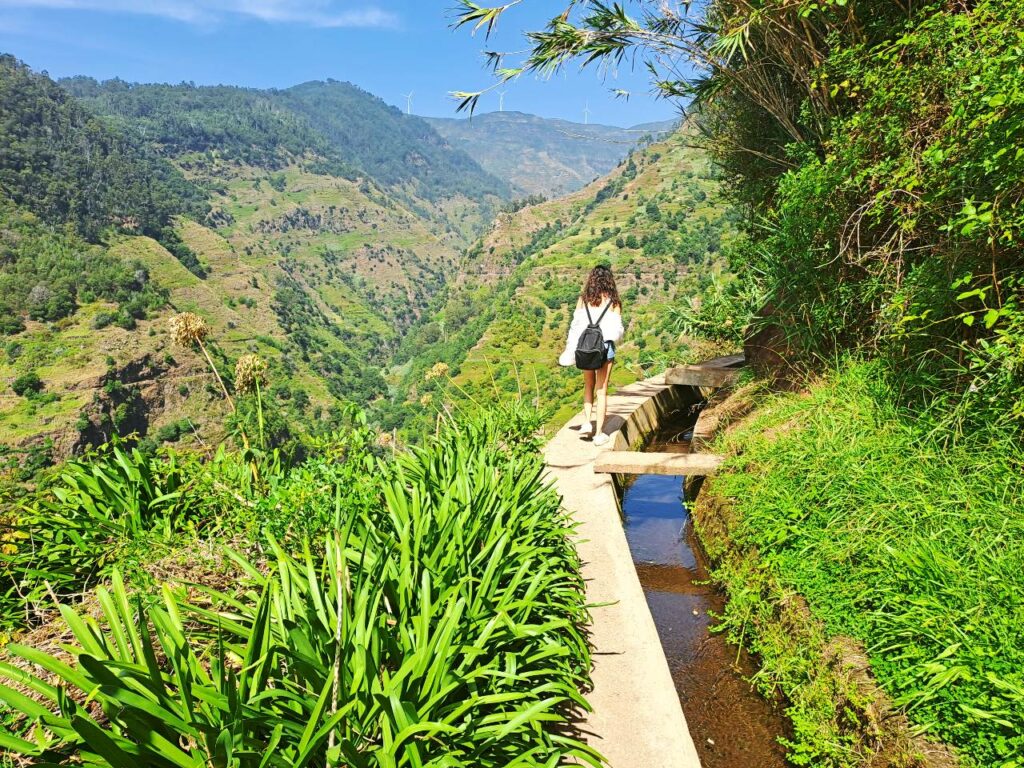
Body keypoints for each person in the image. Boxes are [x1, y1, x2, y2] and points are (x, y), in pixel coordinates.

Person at [558, 264, 624, 446]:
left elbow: (575, 326)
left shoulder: (583, 299)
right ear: (609, 281)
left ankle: (587, 423)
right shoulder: (614, 302)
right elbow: (617, 331)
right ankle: (599, 434)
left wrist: (570, 350)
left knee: (588, 385)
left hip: (585, 346)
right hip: (604, 347)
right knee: (601, 391)